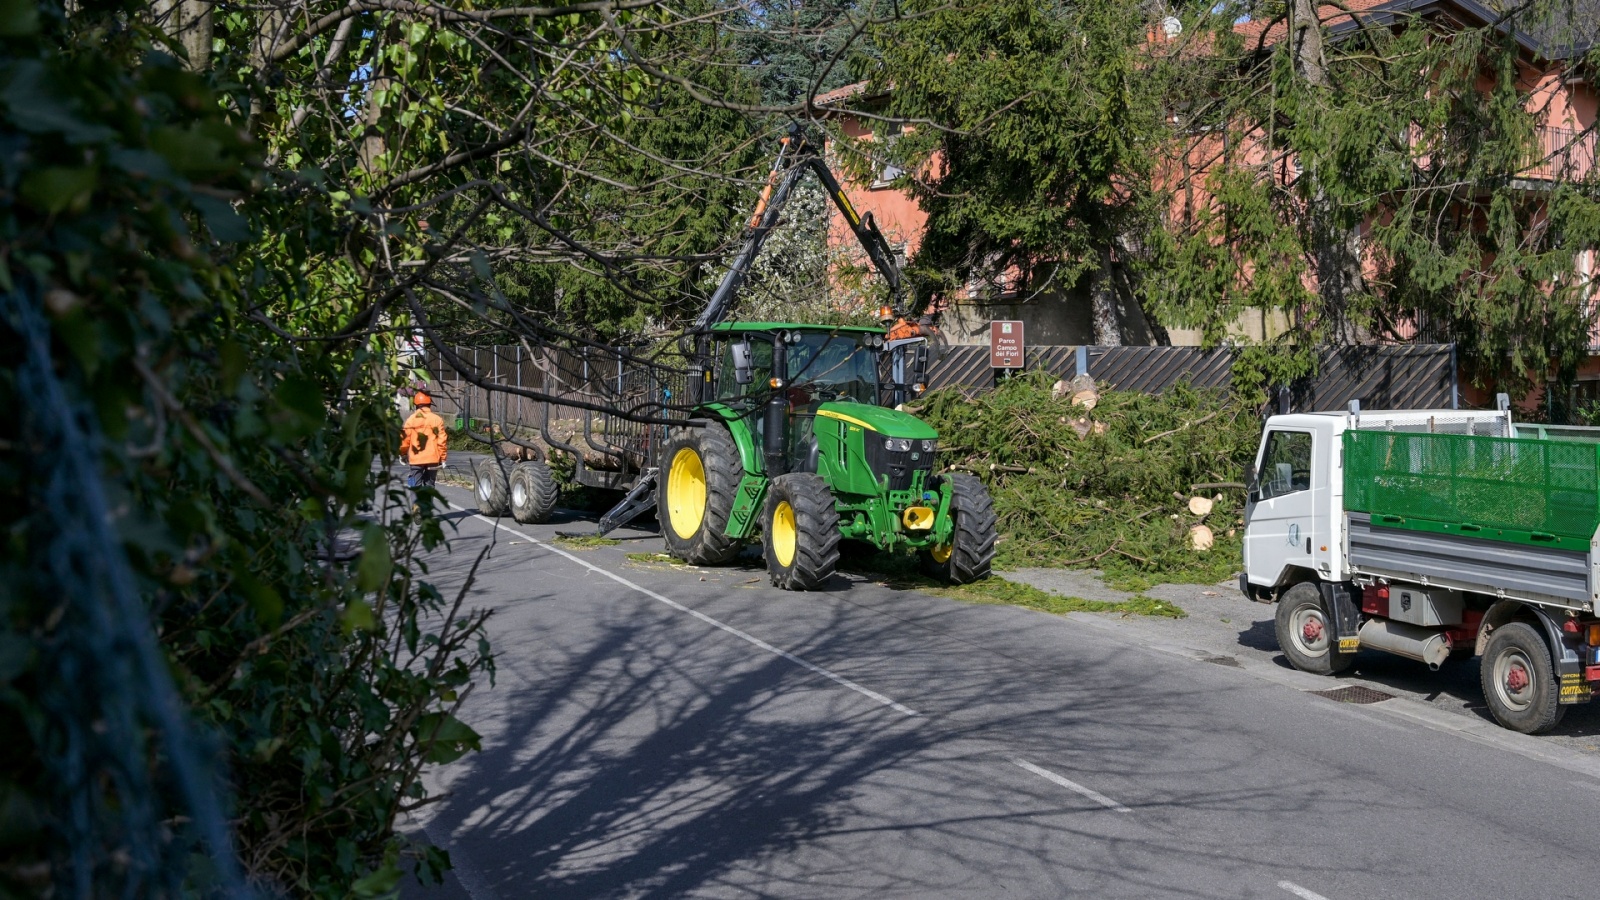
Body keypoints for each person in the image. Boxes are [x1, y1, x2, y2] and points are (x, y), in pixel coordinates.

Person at [400, 391, 448, 489]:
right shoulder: (437, 419)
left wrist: (403, 454)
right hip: (433, 459)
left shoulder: (411, 420)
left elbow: (405, 439)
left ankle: (416, 503)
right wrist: (443, 458)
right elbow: (441, 441)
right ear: (430, 404)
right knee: (429, 486)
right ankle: (428, 503)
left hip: (416, 459)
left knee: (415, 486)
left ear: (416, 405)